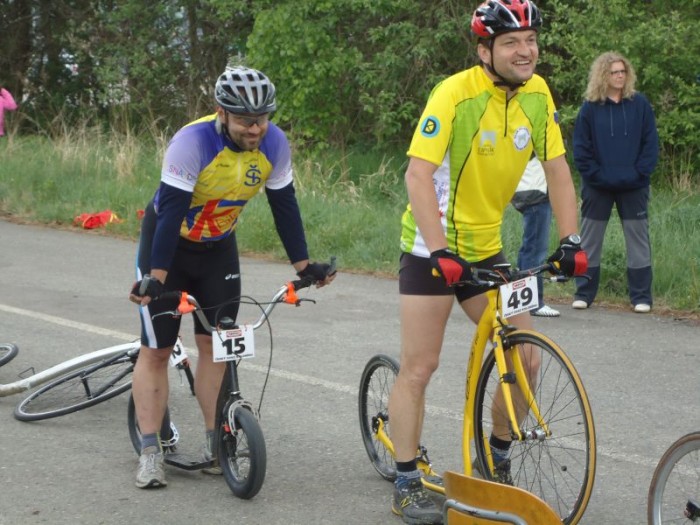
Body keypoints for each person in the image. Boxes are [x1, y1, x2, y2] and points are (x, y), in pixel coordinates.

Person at [387, 1, 588, 523]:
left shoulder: (539, 94)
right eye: (511, 42)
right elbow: (416, 176)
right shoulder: (454, 94)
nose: (526, 51)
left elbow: (559, 171)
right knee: (420, 366)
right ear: (485, 51)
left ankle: (494, 457)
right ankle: (406, 478)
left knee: (527, 357)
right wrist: (439, 250)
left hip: (486, 247)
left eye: (531, 40)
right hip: (430, 248)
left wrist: (571, 239)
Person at [128, 65, 335, 489]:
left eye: (262, 118)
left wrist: (303, 266)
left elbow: (284, 204)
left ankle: (214, 441)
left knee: (216, 345)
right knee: (158, 348)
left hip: (218, 249)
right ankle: (150, 451)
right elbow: (168, 214)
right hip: (168, 247)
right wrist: (156, 277)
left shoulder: (274, 143)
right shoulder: (192, 142)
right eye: (245, 120)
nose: (256, 128)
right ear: (222, 113)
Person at [572, 51, 659, 313]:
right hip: (598, 186)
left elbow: (650, 145)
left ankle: (641, 297)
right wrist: (599, 176)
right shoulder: (589, 108)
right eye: (614, 72)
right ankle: (584, 293)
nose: (620, 76)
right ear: (603, 76)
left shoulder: (640, 104)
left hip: (634, 186)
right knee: (590, 241)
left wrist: (638, 174)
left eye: (623, 71)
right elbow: (581, 149)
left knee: (638, 241)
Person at [512, 154, 560, 317]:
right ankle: (533, 303)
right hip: (535, 191)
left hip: (528, 189)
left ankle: (521, 301)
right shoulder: (536, 130)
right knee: (535, 250)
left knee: (529, 249)